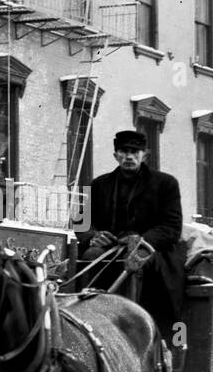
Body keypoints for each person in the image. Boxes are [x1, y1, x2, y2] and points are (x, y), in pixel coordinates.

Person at [79, 129, 185, 346]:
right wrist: (93, 235)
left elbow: (172, 227)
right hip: (109, 248)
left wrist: (142, 239)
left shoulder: (166, 184)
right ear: (115, 155)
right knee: (89, 256)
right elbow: (80, 223)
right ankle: (89, 323)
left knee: (135, 261)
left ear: (144, 154)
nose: (129, 156)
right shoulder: (97, 185)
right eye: (124, 151)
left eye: (135, 152)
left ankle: (132, 325)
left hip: (153, 250)